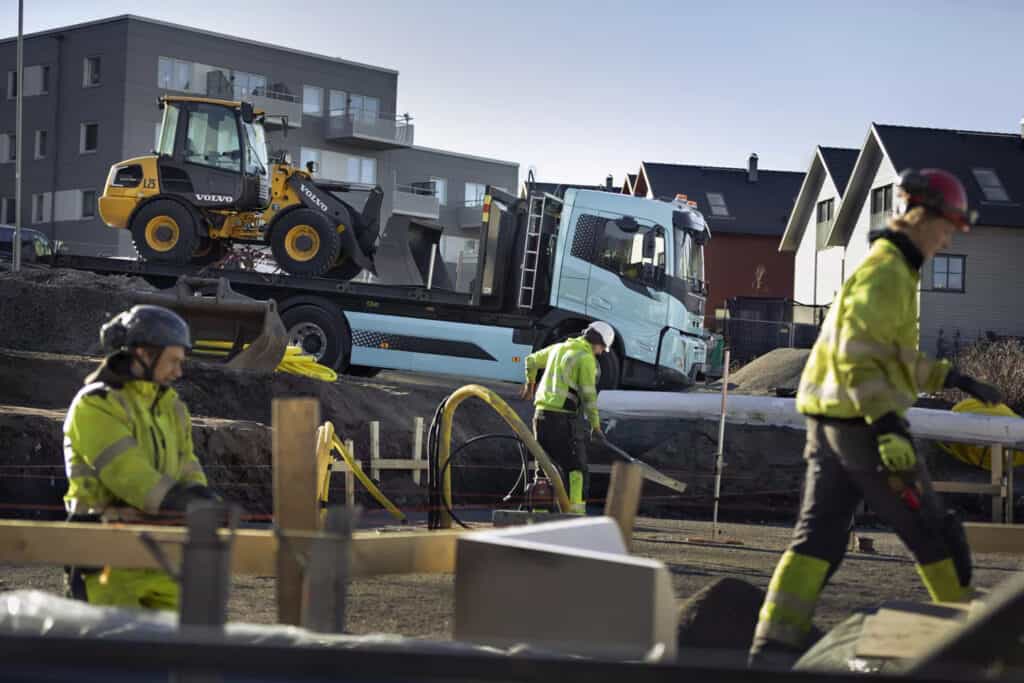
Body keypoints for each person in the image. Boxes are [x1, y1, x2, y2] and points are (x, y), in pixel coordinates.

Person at [748, 169, 1003, 668]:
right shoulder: (889, 272)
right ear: (922, 217)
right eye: (948, 225)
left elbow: (889, 357)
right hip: (863, 422)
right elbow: (860, 357)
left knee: (819, 533)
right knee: (930, 526)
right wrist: (886, 426)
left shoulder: (890, 268)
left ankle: (774, 643)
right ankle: (971, 636)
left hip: (831, 422)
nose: (950, 237)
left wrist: (957, 379)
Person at [63, 305, 219, 610]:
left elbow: (187, 462)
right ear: (143, 354)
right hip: (106, 560)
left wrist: (201, 494)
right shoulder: (96, 404)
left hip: (163, 556)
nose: (179, 371)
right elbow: (126, 472)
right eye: (173, 361)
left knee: (176, 652)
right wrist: (180, 500)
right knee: (115, 653)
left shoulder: (172, 407)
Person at [520, 321, 614, 515]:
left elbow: (530, 360)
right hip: (562, 419)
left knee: (544, 467)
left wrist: (530, 384)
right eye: (603, 348)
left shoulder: (559, 348)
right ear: (597, 342)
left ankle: (540, 515)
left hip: (540, 415)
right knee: (576, 468)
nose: (602, 352)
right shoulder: (586, 358)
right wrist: (595, 427)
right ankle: (575, 515)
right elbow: (588, 396)